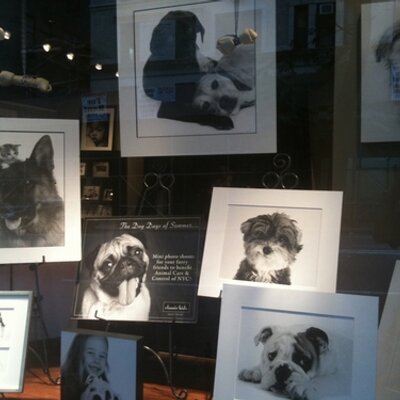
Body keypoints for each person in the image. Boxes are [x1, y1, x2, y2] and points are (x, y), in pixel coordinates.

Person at [61, 334, 120, 400]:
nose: (97, 360)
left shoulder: (106, 389)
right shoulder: (64, 386)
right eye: (91, 353)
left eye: (102, 356)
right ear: (77, 354)